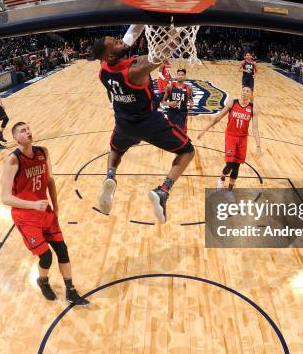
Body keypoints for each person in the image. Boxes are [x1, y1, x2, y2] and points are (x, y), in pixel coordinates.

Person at [92, 24, 195, 222]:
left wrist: (141, 20)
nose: (118, 39)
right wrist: (182, 23)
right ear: (112, 55)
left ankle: (110, 177)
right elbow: (171, 43)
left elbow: (128, 38)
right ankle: (163, 190)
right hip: (148, 123)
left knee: (115, 150)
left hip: (123, 123)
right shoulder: (136, 70)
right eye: (114, 42)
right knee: (187, 151)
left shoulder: (103, 70)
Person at [1, 122, 89, 305]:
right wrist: (32, 205)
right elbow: (5, 198)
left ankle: (71, 291)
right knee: (46, 256)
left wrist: (55, 206)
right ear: (16, 139)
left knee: (62, 250)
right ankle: (43, 281)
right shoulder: (13, 160)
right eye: (22, 131)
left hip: (44, 211)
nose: (28, 132)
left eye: (28, 129)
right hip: (25, 217)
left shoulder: (43, 152)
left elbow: (49, 180)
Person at [198, 86, 261, 191]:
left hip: (243, 138)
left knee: (237, 166)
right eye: (243, 90)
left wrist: (258, 145)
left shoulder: (253, 108)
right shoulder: (233, 102)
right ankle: (222, 178)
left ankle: (230, 188)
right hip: (231, 136)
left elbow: (255, 128)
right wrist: (204, 129)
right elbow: (218, 117)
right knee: (230, 163)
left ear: (251, 95)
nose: (244, 93)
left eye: (247, 91)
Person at [162, 69, 193, 134]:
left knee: (182, 133)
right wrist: (169, 103)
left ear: (185, 76)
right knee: (171, 132)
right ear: (176, 76)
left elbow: (190, 99)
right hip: (171, 113)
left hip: (182, 113)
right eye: (179, 75)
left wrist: (191, 105)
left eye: (182, 75)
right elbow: (163, 102)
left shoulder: (188, 87)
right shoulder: (170, 86)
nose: (180, 76)